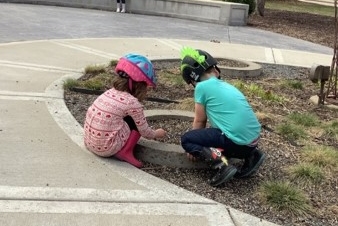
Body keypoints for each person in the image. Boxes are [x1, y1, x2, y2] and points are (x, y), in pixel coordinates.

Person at [180, 47, 266, 187]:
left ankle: (222, 165)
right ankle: (252, 155)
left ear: (193, 78)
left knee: (187, 139)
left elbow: (200, 120)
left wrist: (195, 145)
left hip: (236, 143)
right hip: (252, 141)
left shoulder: (201, 87)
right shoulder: (227, 86)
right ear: (216, 70)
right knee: (222, 135)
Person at [84, 53, 167, 168]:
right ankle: (125, 152)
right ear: (138, 85)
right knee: (135, 121)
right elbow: (144, 131)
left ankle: (110, 144)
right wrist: (156, 133)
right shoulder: (132, 103)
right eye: (145, 86)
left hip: (89, 143)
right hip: (106, 149)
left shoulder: (108, 93)